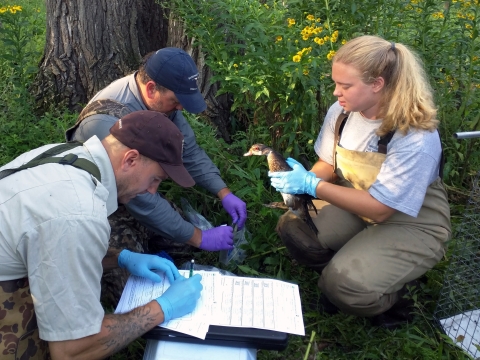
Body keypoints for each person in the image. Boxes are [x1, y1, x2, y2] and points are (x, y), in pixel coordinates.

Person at [268, 35, 451, 327]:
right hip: (357, 204)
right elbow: (329, 163)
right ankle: (352, 270)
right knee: (294, 227)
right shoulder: (342, 113)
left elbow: (380, 208)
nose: (336, 92)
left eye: (346, 86)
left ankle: (394, 297)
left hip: (411, 220)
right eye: (335, 83)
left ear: (377, 84)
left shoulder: (414, 134)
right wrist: (303, 178)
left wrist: (312, 186)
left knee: (344, 286)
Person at [0, 111, 203, 359]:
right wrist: (162, 308)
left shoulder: (67, 156)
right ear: (130, 159)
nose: (152, 191)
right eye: (155, 179)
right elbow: (71, 351)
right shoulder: (78, 211)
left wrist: (120, 258)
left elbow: (48, 245)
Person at [65, 48, 247, 302]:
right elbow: (143, 200)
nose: (180, 107)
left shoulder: (162, 105)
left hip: (131, 190)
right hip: (96, 208)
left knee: (182, 243)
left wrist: (223, 192)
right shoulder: (103, 125)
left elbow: (188, 151)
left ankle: (152, 251)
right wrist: (199, 237)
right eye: (176, 100)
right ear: (151, 89)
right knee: (136, 288)